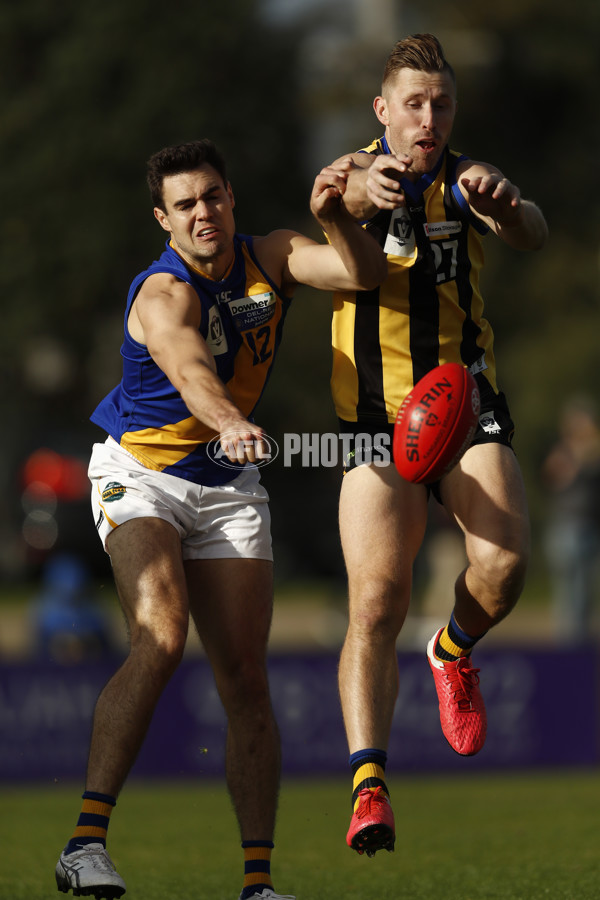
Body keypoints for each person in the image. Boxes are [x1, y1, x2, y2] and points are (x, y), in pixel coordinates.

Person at [54, 138, 387, 899]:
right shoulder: (161, 295)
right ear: (162, 220)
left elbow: (360, 274)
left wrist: (334, 215)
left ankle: (258, 885)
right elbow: (191, 369)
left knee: (246, 679)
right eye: (185, 204)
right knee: (163, 636)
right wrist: (228, 420)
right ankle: (85, 844)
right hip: (143, 475)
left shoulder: (268, 257)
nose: (202, 212)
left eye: (212, 196)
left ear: (231, 197)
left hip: (228, 485)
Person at [321, 34, 548, 857]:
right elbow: (335, 205)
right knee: (375, 600)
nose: (428, 118)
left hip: (460, 404)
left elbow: (532, 233)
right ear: (382, 111)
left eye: (441, 104)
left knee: (506, 567)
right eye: (412, 104)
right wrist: (355, 194)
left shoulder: (466, 180)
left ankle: (452, 650)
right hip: (373, 422)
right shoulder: (353, 177)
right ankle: (368, 788)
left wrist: (512, 204)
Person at [542, 395, 600, 643]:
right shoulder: (564, 451)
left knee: (585, 594)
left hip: (590, 527)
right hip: (567, 529)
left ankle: (580, 644)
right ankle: (569, 647)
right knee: (569, 594)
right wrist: (577, 455)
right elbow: (555, 476)